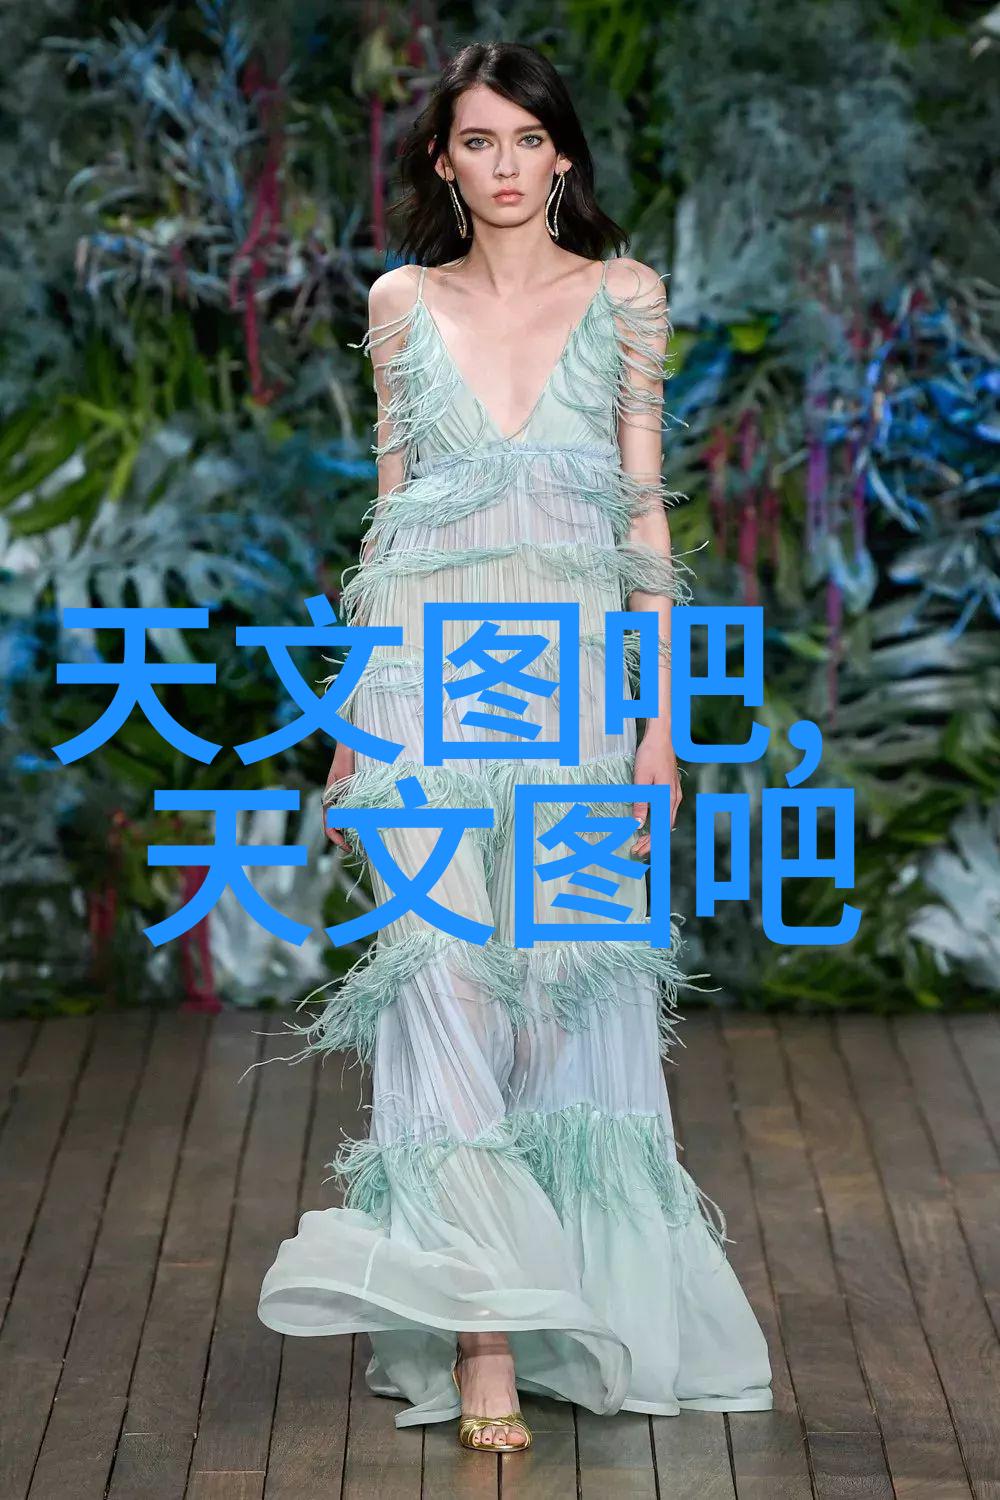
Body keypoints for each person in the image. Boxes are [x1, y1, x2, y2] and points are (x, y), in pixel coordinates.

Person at [257, 39, 773, 1453]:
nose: (504, 164)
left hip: (575, 700)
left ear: (562, 156)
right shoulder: (399, 305)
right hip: (423, 689)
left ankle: (567, 1307)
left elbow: (646, 517)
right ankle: (482, 1341)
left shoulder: (624, 296)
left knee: (557, 1005)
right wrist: (351, 719)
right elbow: (390, 521)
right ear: (442, 160)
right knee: (442, 988)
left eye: (528, 138)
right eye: (477, 140)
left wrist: (662, 723)